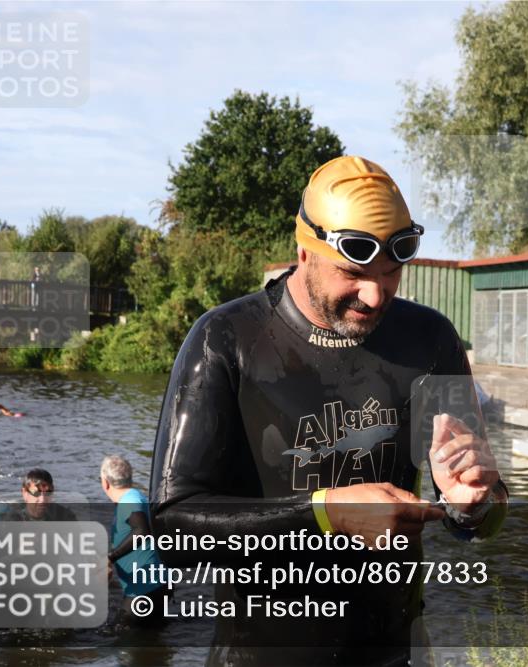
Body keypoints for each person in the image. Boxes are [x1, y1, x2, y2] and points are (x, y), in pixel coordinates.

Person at [150, 156, 508, 666]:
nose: (375, 295)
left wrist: (473, 504)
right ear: (304, 253)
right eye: (353, 273)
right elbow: (172, 528)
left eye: (391, 273)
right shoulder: (225, 339)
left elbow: (483, 516)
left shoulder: (430, 340)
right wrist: (324, 513)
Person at [101, 455, 167, 627]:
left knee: (119, 638)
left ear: (105, 483)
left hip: (143, 591)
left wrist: (110, 558)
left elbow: (141, 531)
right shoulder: (135, 497)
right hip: (155, 587)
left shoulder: (130, 501)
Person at [11, 469, 76, 522]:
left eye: (48, 493)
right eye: (36, 493)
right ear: (25, 493)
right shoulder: (11, 521)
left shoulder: (66, 517)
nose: (42, 500)